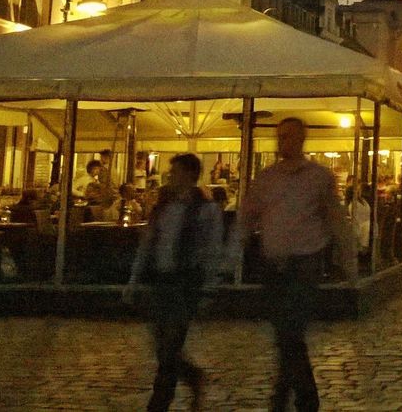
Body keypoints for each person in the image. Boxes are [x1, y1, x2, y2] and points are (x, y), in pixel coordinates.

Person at [234, 117, 357, 412]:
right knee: (286, 335)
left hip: (305, 264)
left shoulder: (318, 177)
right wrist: (231, 252)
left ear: (302, 139)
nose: (283, 141)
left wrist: (348, 259)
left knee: (291, 331)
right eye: (280, 136)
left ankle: (293, 400)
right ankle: (299, 396)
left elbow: (336, 219)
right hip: (273, 266)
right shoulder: (266, 178)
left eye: (288, 136)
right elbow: (247, 217)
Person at [126, 153, 223, 412]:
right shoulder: (163, 208)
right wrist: (134, 280)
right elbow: (147, 245)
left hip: (185, 284)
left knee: (170, 347)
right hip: (162, 281)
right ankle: (192, 377)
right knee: (162, 346)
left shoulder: (206, 210)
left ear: (191, 175)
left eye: (177, 172)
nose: (172, 177)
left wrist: (208, 288)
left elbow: (212, 250)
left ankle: (158, 403)